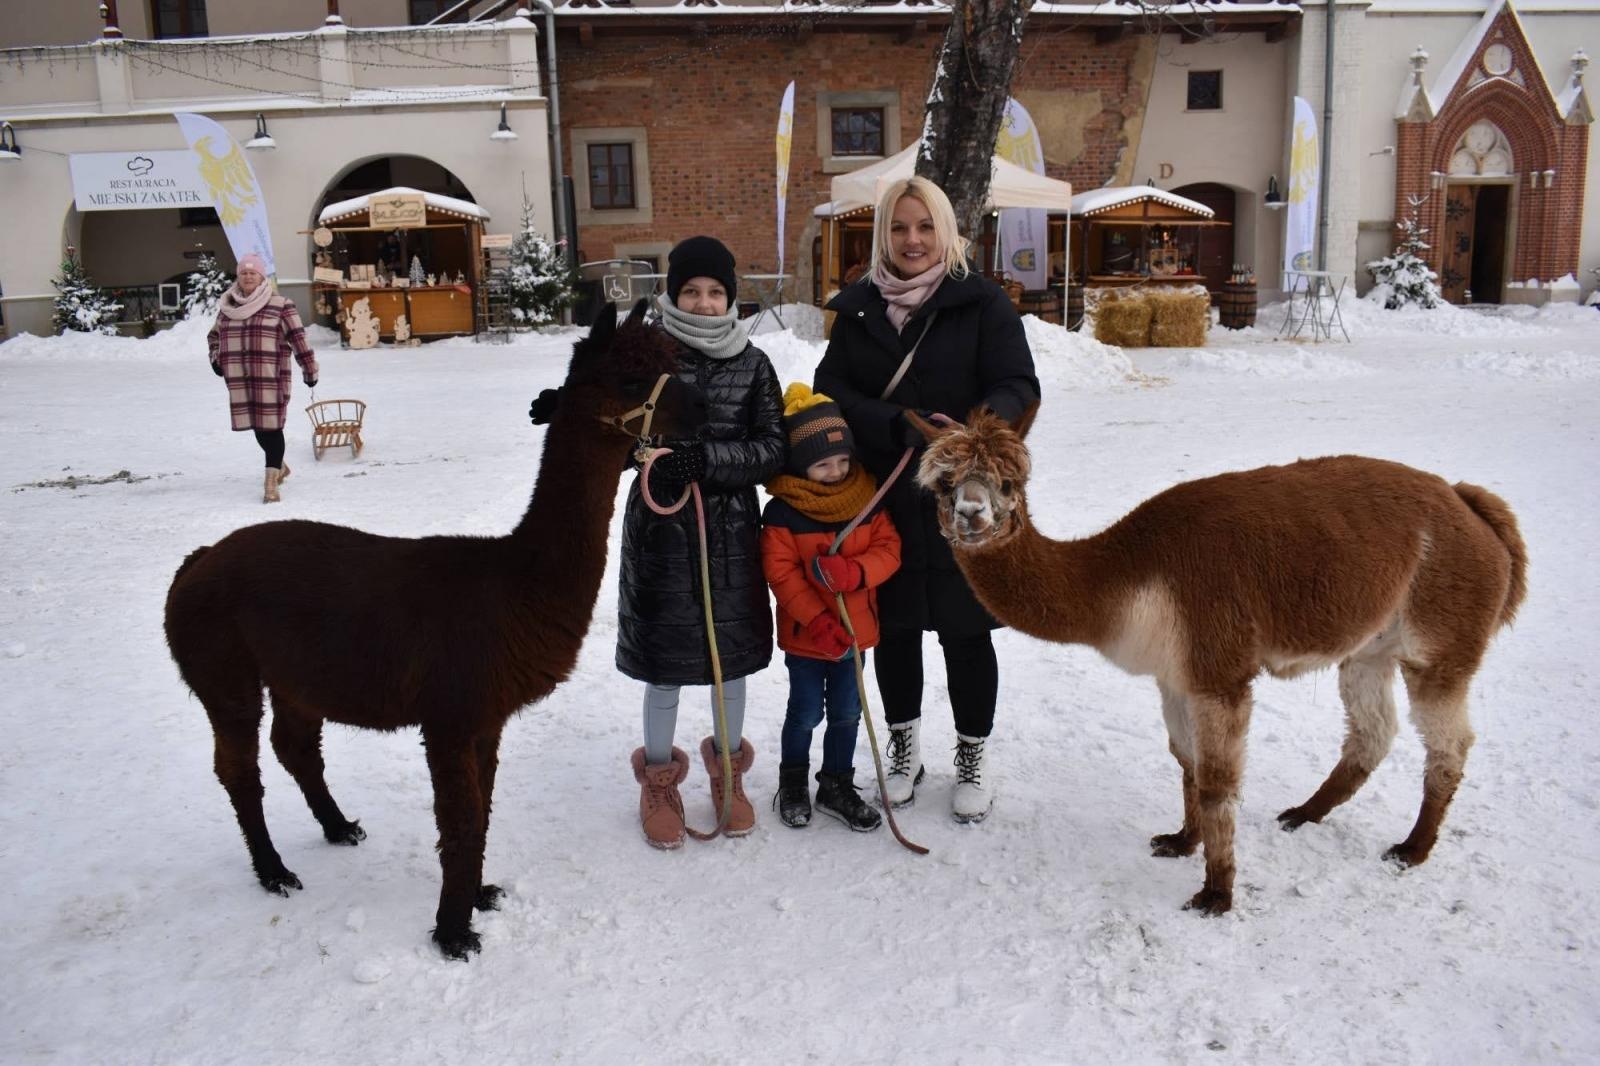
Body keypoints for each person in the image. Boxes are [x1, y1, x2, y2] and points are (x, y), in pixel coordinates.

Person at [813, 176, 1041, 823]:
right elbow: (831, 389)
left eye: (924, 226)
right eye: (899, 227)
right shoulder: (859, 309)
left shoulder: (982, 303)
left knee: (967, 632)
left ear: (945, 231)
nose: (912, 240)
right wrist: (894, 424)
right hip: (885, 496)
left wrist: (970, 434)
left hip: (963, 498)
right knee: (897, 630)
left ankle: (972, 756)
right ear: (882, 234)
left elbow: (1018, 384)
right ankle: (904, 749)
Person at [618, 236, 785, 849]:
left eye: (716, 292)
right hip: (662, 534)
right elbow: (616, 433)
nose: (705, 302)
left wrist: (707, 459)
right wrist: (643, 454)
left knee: (728, 663)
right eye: (691, 291)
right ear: (672, 294)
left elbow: (773, 447)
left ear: (731, 298)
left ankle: (727, 775)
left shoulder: (754, 364)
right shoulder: (646, 357)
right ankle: (659, 781)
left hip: (730, 534)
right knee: (664, 665)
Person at [760, 384, 901, 832]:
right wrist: (818, 621)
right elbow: (781, 573)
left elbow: (889, 549)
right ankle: (793, 782)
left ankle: (836, 783)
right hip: (809, 637)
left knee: (847, 713)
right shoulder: (783, 514)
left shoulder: (867, 499)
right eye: (822, 464)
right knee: (805, 713)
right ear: (799, 465)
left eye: (842, 460)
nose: (836, 471)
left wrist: (855, 572)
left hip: (855, 636)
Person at [206, 252, 319, 504]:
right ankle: (280, 466)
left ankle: (270, 482)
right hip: (239, 379)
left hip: (270, 378)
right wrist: (216, 358)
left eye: (253, 273)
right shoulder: (228, 308)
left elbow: (299, 340)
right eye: (244, 273)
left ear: (261, 277)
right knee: (258, 428)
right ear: (238, 277)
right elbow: (214, 336)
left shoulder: (280, 305)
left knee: (272, 427)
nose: (248, 277)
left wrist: (309, 369)